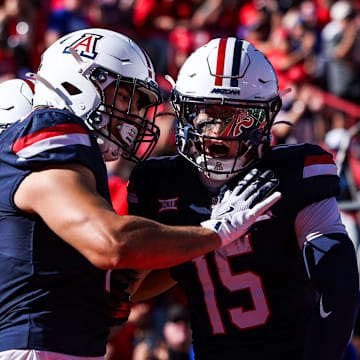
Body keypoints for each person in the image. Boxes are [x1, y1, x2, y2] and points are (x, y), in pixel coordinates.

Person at [0, 29, 281, 359]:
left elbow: (109, 284)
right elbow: (111, 243)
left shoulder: (74, 159)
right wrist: (212, 232)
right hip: (35, 347)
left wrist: (183, 244)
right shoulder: (50, 127)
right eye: (124, 97)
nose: (133, 116)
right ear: (79, 83)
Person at [129, 38, 360, 359]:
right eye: (207, 112)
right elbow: (129, 289)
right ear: (183, 110)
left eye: (239, 116)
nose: (219, 130)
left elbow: (339, 286)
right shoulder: (160, 182)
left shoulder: (295, 173)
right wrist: (189, 244)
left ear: (267, 116)